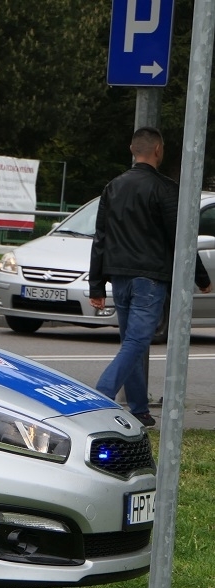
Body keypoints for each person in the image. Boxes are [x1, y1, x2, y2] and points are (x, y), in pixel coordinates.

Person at [88, 126, 211, 427]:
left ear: (132, 149)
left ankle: (139, 409)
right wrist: (201, 277)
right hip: (150, 279)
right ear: (158, 150)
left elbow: (100, 238)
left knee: (132, 342)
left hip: (119, 277)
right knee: (136, 341)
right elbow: (181, 238)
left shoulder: (112, 187)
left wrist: (96, 285)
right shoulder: (165, 189)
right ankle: (101, 395)